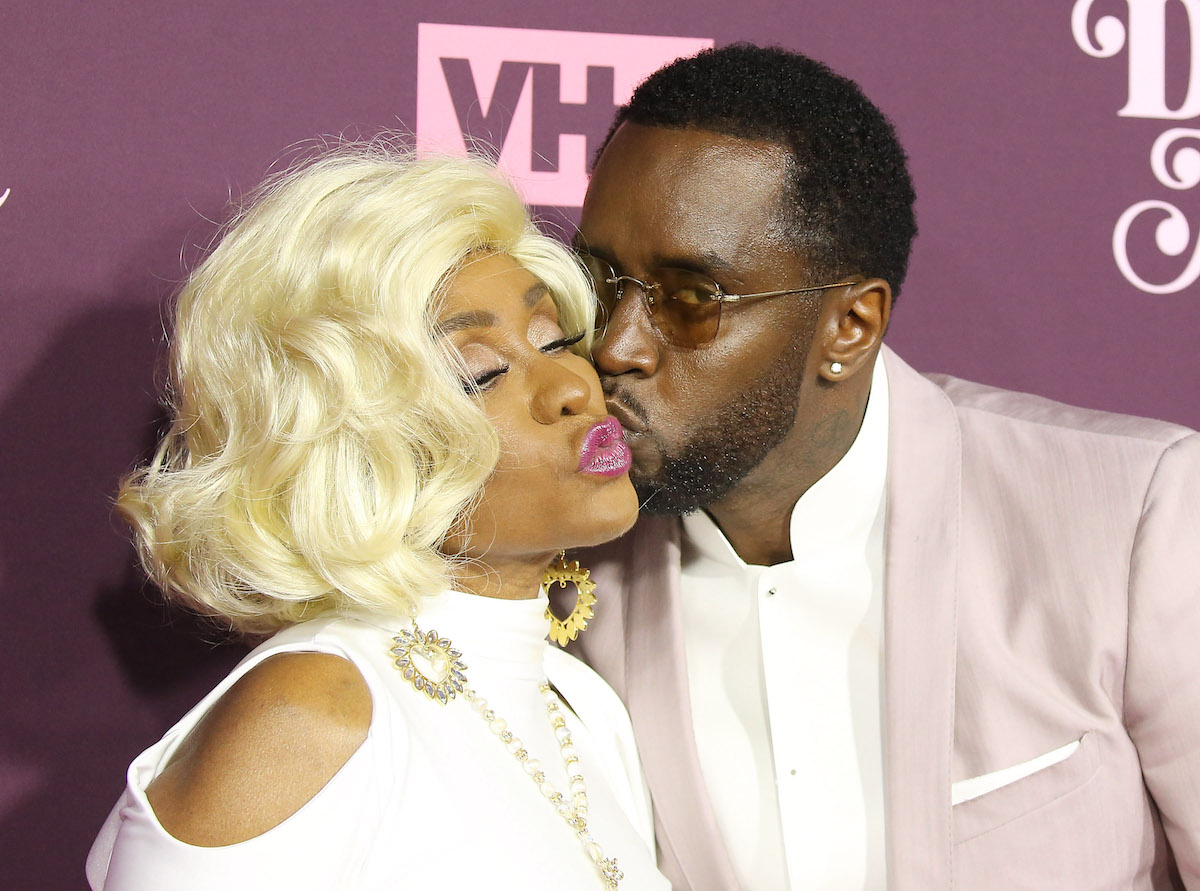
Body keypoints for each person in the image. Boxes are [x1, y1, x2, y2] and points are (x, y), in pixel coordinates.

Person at [567, 43, 1200, 890]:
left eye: (690, 299)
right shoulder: (564, 567)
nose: (614, 345)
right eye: (598, 278)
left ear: (851, 327)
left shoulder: (1130, 516)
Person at [85, 145, 672, 891]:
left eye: (554, 338)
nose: (570, 386)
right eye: (480, 373)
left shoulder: (583, 708)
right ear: (357, 447)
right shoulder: (310, 708)